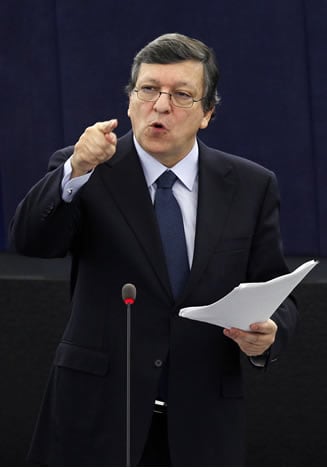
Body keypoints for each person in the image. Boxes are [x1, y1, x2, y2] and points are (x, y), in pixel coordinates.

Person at [9, 33, 298, 467]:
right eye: (148, 90)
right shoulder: (89, 169)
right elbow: (31, 240)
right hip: (97, 415)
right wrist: (76, 169)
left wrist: (269, 332)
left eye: (182, 95)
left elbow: (277, 290)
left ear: (208, 114)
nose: (161, 106)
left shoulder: (252, 185)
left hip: (202, 422)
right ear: (130, 101)